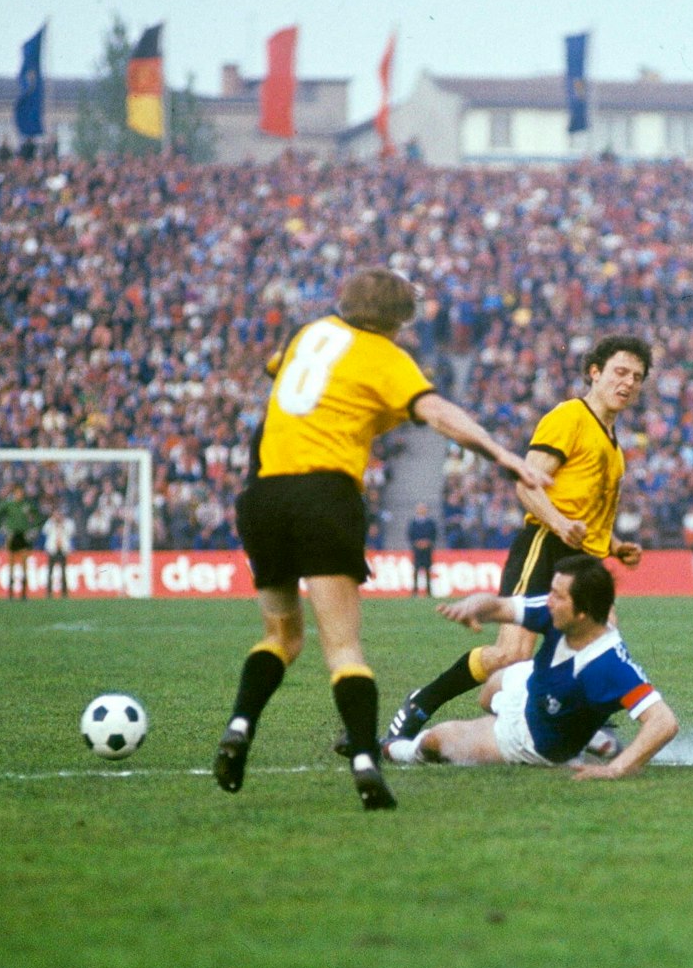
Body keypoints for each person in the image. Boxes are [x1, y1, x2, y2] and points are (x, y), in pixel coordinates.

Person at [211, 267, 549, 811]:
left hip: (262, 495)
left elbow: (290, 386)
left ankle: (239, 726)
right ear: (399, 319)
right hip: (325, 493)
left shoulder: (310, 334)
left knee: (281, 635)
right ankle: (367, 759)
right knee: (342, 646)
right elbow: (436, 411)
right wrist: (502, 454)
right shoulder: (385, 355)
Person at [385, 336, 651, 744]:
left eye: (637, 376)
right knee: (511, 655)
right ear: (594, 372)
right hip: (546, 547)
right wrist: (560, 524)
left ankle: (585, 727)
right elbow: (527, 485)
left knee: (599, 642)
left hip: (585, 560)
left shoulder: (613, 445)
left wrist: (614, 544)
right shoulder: (569, 418)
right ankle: (423, 701)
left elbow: (584, 506)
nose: (628, 382)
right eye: (620, 371)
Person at [384, 556, 679, 778]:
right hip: (533, 683)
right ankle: (593, 735)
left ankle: (388, 748)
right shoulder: (557, 612)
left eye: (558, 596)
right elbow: (499, 606)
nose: (549, 601)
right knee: (488, 693)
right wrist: (474, 606)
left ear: (583, 613)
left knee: (435, 741)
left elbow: (663, 723)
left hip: (527, 740)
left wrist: (616, 769)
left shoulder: (607, 665)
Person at [0, 487, 41, 601]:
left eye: (21, 493)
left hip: (23, 535)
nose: (19, 495)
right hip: (13, 535)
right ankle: (10, 593)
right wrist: (2, 527)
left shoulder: (27, 505)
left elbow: (38, 517)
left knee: (24, 563)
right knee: (11, 563)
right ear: (14, 494)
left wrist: (34, 528)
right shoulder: (9, 505)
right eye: (17, 493)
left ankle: (24, 593)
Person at [40, 507, 75, 598]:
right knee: (50, 571)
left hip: (63, 549)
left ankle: (64, 592)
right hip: (52, 549)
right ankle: (49, 592)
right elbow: (44, 531)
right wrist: (52, 521)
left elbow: (71, 532)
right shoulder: (50, 523)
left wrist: (62, 524)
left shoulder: (67, 522)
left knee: (63, 571)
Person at [408, 501, 437, 596]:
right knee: (416, 570)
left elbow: (434, 535)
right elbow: (410, 535)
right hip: (417, 550)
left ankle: (429, 591)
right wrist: (417, 543)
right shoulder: (413, 523)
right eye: (420, 508)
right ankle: (415, 591)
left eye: (423, 508)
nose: (421, 510)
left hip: (427, 550)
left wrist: (427, 542)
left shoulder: (431, 522)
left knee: (428, 570)